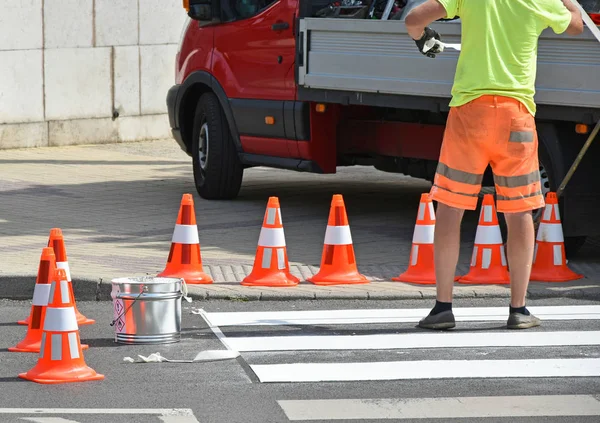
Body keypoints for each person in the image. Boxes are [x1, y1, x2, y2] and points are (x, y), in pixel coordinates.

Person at [404, 0, 584, 330]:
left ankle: (442, 307)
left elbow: (413, 18)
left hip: (468, 114)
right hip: (516, 116)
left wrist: (423, 37)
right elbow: (576, 24)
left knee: (450, 208)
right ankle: (518, 309)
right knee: (519, 213)